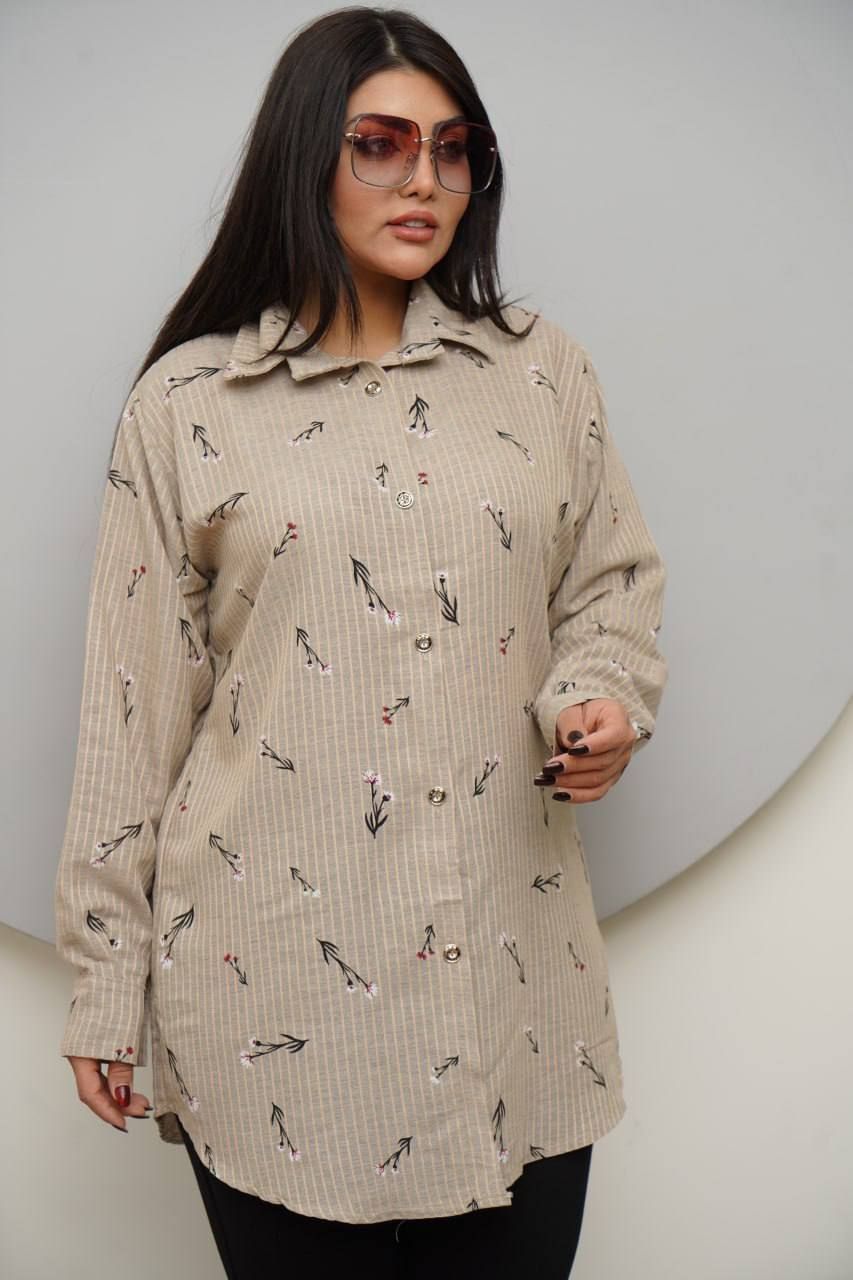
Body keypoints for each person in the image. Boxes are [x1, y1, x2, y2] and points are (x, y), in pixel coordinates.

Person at [53, 6, 669, 1277]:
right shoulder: (188, 406)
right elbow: (130, 710)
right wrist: (108, 983)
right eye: (381, 143)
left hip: (509, 994)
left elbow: (608, 585)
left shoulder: (541, 375)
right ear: (306, 155)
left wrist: (600, 694)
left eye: (453, 149)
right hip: (273, 995)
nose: (424, 180)